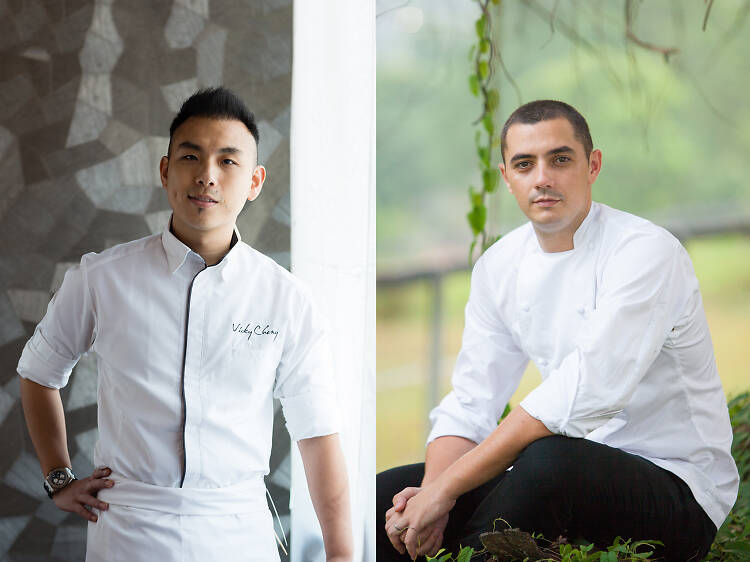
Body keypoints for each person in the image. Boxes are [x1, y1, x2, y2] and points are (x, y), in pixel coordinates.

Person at [377, 100, 739, 561]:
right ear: (507, 177)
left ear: (593, 165)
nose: (542, 178)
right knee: (387, 493)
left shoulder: (645, 252)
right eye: (524, 164)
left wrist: (447, 488)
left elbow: (582, 393)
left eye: (560, 159)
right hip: (566, 470)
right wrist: (432, 495)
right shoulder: (500, 266)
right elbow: (470, 403)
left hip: (677, 486)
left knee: (547, 461)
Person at [18, 87, 353, 562]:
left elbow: (316, 431)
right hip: (128, 528)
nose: (207, 176)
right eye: (191, 156)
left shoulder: (286, 298)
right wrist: (59, 477)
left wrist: (341, 554)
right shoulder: (102, 277)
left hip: (239, 531)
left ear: (255, 181)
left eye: (227, 161)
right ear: (165, 170)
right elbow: (38, 371)